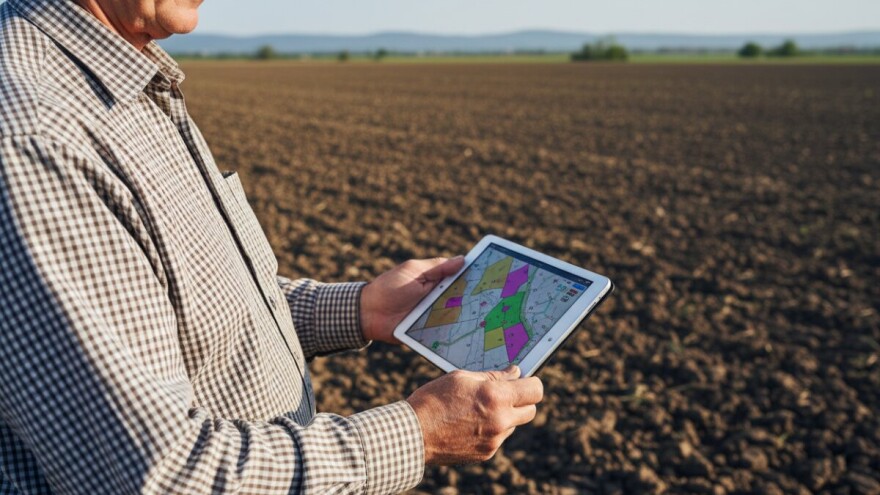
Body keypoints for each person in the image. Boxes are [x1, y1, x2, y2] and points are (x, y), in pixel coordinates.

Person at [0, 0, 544, 493]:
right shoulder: (35, 135)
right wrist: (417, 433)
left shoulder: (124, 79)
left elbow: (192, 306)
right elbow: (159, 476)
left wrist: (364, 308)